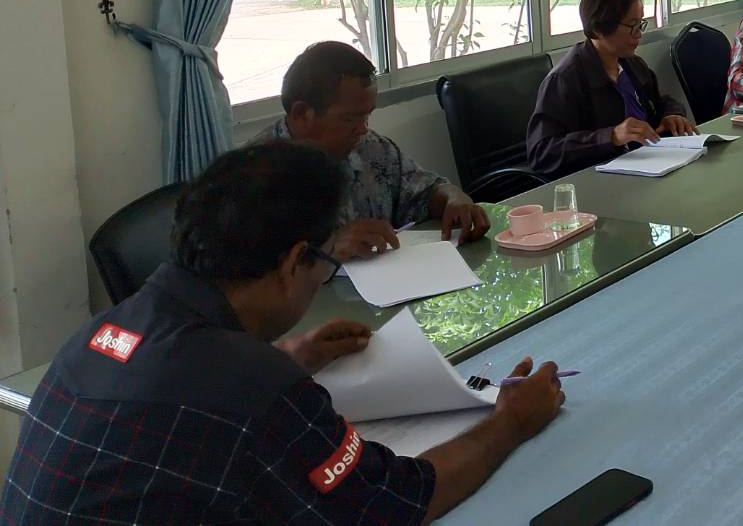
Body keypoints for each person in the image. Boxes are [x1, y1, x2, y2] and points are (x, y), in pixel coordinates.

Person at [0, 142, 564, 523]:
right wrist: (510, 421)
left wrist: (288, 358)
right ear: (295, 261)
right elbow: (391, 504)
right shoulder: (257, 387)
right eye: (324, 266)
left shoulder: (95, 335)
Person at [255, 42, 488, 260]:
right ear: (301, 114)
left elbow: (424, 192)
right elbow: (250, 274)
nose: (363, 129)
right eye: (350, 119)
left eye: (367, 115)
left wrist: (453, 197)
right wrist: (328, 249)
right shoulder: (253, 177)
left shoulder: (370, 148)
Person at [527, 0, 695, 177]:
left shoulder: (632, 64)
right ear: (600, 28)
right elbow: (542, 153)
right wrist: (612, 136)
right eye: (632, 25)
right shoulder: (564, 80)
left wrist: (672, 114)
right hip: (599, 180)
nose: (639, 34)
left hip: (649, 167)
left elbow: (659, 102)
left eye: (640, 24)